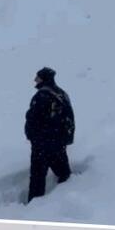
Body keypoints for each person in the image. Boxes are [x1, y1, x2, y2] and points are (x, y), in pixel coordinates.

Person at [25, 66, 75, 203]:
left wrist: (32, 138)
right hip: (59, 143)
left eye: (38, 77)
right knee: (64, 175)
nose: (35, 80)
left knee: (37, 178)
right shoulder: (62, 94)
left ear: (44, 79)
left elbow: (32, 119)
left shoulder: (41, 96)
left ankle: (33, 209)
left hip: (41, 145)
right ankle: (65, 202)